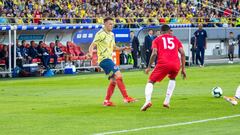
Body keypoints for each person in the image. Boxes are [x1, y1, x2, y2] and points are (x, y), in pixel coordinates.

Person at [88, 17, 137, 106]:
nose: (112, 26)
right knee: (119, 75)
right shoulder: (100, 34)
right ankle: (126, 97)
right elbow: (92, 46)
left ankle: (106, 101)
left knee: (113, 80)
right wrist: (91, 54)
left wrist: (123, 48)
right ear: (105, 24)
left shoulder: (111, 34)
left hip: (108, 60)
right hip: (104, 60)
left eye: (112, 24)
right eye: (110, 24)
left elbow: (114, 48)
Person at [140, 25, 186, 111]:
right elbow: (183, 54)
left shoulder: (157, 39)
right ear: (169, 31)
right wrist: (183, 69)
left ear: (161, 32)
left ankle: (147, 101)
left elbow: (154, 53)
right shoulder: (175, 39)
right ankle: (167, 101)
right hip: (176, 64)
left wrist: (149, 67)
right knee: (172, 78)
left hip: (163, 63)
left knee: (151, 81)